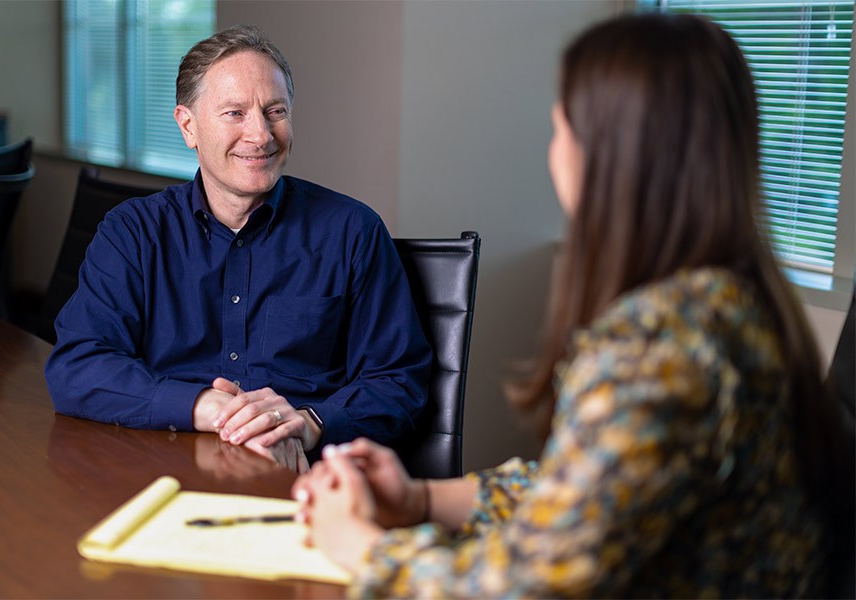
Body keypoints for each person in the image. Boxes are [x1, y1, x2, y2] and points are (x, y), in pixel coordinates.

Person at [292, 13, 849, 597]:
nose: (554, 151)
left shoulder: (663, 349)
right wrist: (425, 497)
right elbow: (590, 492)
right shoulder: (732, 302)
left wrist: (355, 542)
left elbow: (526, 588)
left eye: (560, 129)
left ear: (610, 157)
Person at [45, 25, 432, 473]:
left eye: (275, 111)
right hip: (167, 469)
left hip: (306, 477)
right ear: (188, 126)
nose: (261, 135)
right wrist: (205, 406)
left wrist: (310, 422)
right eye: (234, 113)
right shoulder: (132, 232)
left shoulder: (353, 231)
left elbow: (397, 380)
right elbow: (77, 365)